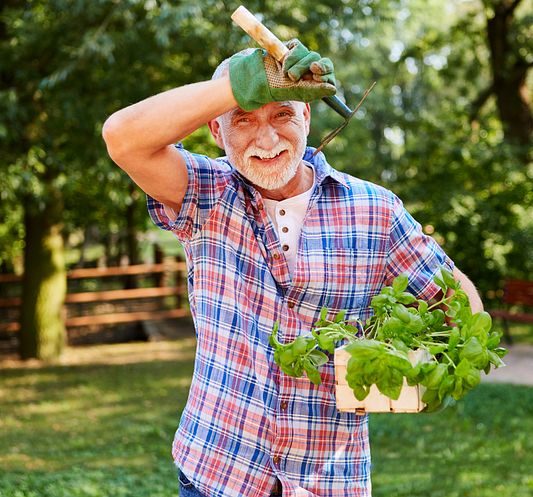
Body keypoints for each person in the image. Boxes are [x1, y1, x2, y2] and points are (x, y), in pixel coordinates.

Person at [102, 40, 483, 497]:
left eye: (282, 114)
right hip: (218, 475)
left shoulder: (374, 210)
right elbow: (122, 137)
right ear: (217, 132)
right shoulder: (206, 194)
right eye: (243, 119)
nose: (266, 139)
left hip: (329, 482)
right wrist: (240, 85)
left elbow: (459, 303)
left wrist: (420, 367)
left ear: (306, 116)